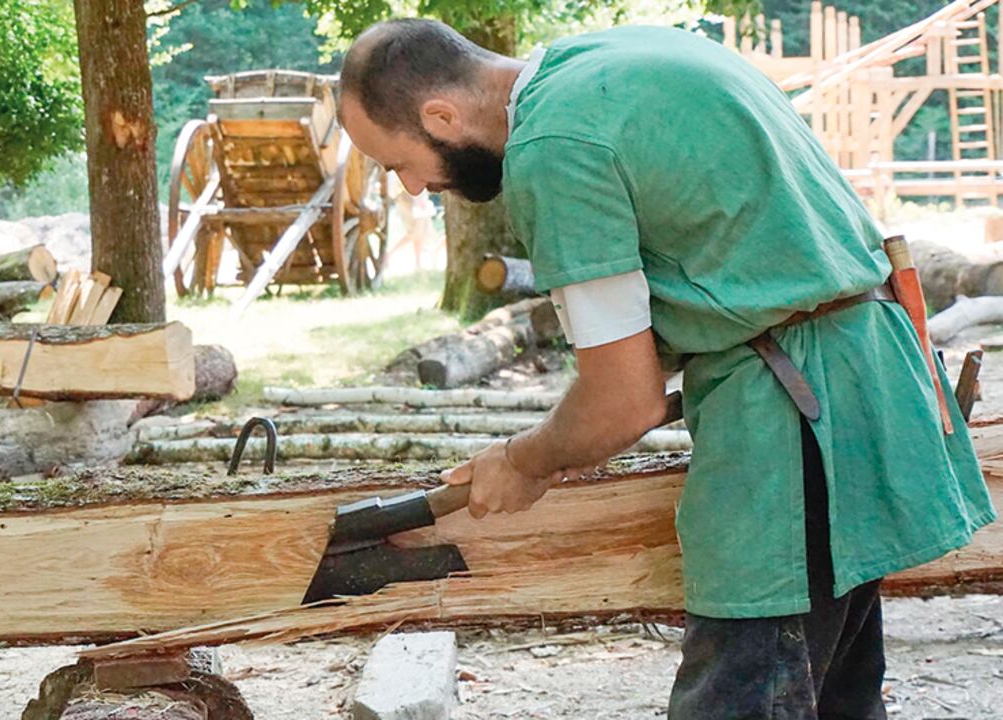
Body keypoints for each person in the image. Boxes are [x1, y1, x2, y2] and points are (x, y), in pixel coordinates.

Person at [337, 18, 996, 719]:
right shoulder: (611, 57)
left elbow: (623, 402)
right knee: (836, 700)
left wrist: (521, 462)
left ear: (440, 116)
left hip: (795, 417)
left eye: (399, 163)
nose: (413, 188)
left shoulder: (553, 149)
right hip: (866, 375)